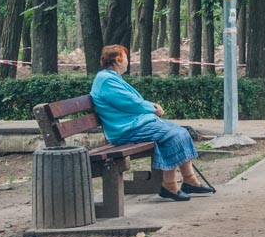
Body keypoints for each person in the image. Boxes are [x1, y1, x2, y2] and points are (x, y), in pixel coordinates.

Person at [91, 45, 215, 202]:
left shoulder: (110, 78)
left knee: (180, 132)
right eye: (126, 58)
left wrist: (150, 107)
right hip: (125, 130)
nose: (128, 62)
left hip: (133, 125)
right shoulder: (106, 80)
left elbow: (131, 102)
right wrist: (152, 108)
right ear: (117, 60)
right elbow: (129, 103)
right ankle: (169, 185)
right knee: (172, 135)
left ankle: (189, 180)